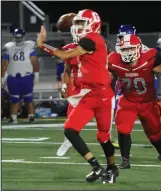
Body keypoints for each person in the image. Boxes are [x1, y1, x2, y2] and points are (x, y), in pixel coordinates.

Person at [37, 9, 118, 184]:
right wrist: (66, 84)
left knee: (103, 137)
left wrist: (42, 44)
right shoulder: (80, 43)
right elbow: (65, 56)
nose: (77, 27)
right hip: (87, 94)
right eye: (76, 23)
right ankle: (96, 167)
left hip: (103, 95)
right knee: (70, 129)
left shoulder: (94, 39)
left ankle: (112, 168)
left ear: (93, 24)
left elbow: (62, 54)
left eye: (81, 23)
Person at [108, 34, 161, 169]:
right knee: (123, 129)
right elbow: (106, 74)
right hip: (128, 100)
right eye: (124, 50)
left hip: (148, 102)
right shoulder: (113, 60)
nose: (127, 52)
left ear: (138, 48)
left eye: (130, 49)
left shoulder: (149, 58)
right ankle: (125, 160)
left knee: (154, 133)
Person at [113, 25, 161, 150]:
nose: (120, 40)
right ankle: (123, 137)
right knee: (119, 109)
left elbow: (155, 67)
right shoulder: (121, 47)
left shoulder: (142, 50)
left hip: (142, 83)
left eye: (122, 36)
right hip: (127, 81)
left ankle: (153, 138)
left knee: (146, 115)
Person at [1, 28, 39, 124]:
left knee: (28, 98)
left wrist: (36, 73)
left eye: (19, 37)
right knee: (14, 98)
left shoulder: (29, 45)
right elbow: (4, 63)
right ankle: (14, 117)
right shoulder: (9, 46)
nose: (18, 39)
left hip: (26, 75)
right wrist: (2, 76)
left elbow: (34, 61)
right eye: (17, 37)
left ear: (23, 37)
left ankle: (30, 116)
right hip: (13, 76)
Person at [56, 33, 81, 157]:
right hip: (78, 87)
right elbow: (67, 69)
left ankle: (111, 142)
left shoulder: (97, 46)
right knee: (71, 115)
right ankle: (67, 140)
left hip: (95, 86)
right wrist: (65, 86)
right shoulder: (69, 48)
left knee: (104, 119)